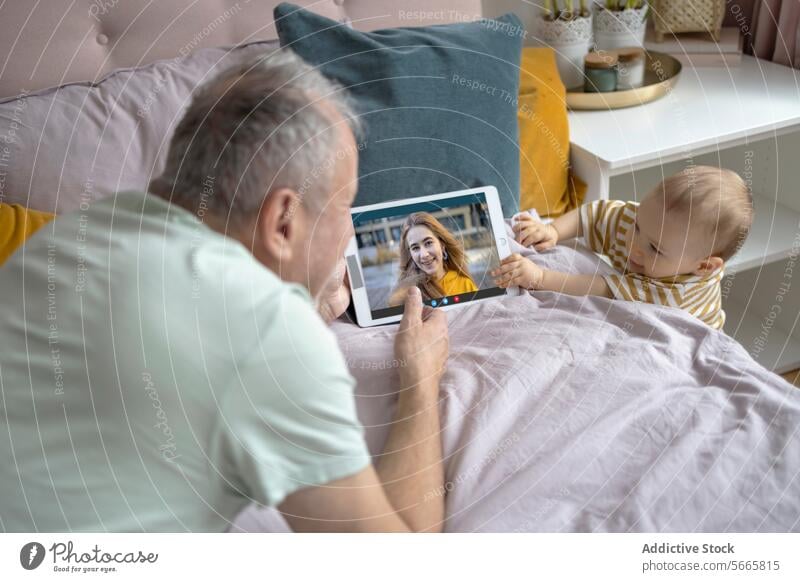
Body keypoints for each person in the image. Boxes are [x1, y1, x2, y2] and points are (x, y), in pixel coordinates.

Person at [0, 49, 450, 532]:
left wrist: (298, 304)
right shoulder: (270, 335)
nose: (350, 233)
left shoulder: (67, 238)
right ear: (282, 220)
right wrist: (419, 380)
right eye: (346, 205)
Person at [492, 166, 752, 329]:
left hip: (686, 332)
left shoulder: (674, 293)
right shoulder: (649, 225)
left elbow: (601, 287)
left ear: (704, 266)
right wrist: (553, 230)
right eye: (637, 226)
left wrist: (539, 277)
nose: (634, 246)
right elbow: (597, 214)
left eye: (655, 249)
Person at [389, 212, 478, 306]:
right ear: (410, 254)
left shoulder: (465, 285)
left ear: (442, 245)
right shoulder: (407, 292)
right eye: (415, 248)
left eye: (428, 243)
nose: (424, 254)